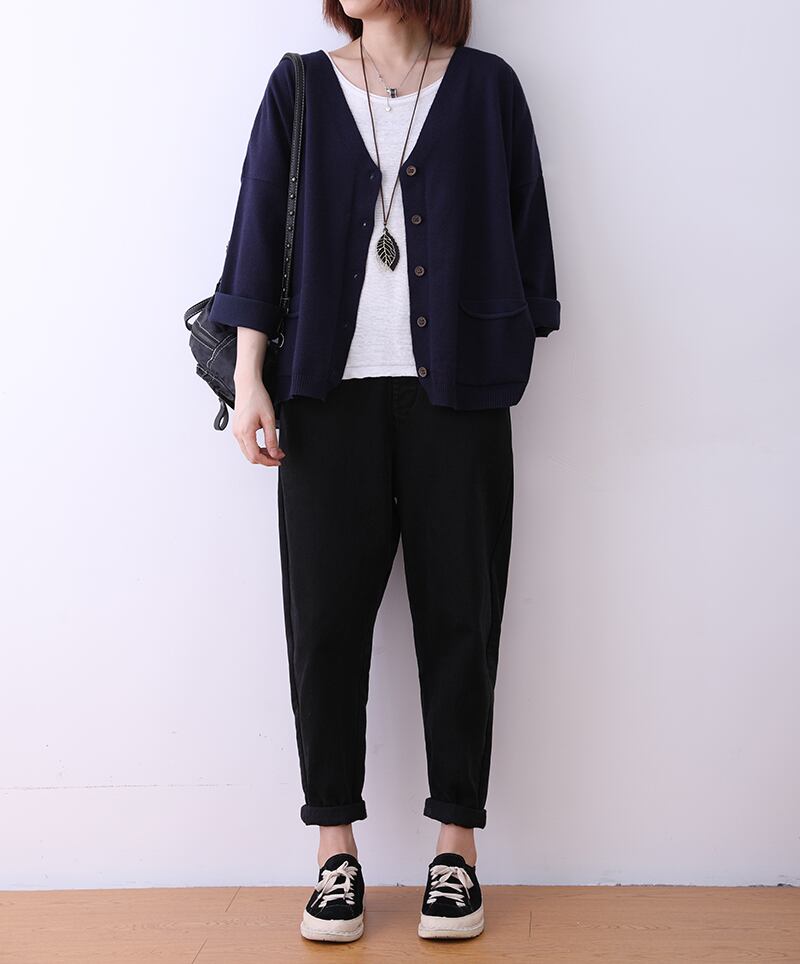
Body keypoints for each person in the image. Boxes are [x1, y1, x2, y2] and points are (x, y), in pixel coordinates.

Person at [207, 0, 560, 944]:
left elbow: (527, 230)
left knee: (463, 617)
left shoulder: (487, 90)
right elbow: (256, 232)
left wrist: (512, 337)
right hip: (324, 399)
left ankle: (457, 850)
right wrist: (249, 381)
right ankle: (335, 851)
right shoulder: (298, 87)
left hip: (460, 395)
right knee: (324, 625)